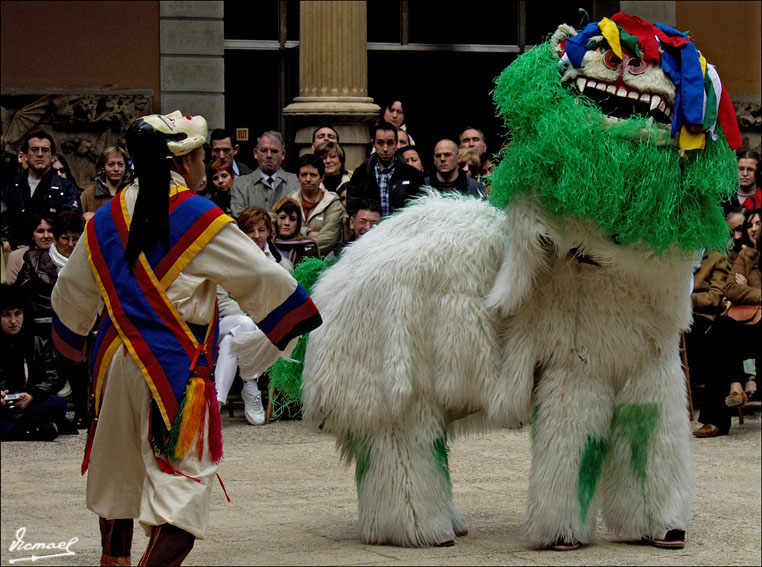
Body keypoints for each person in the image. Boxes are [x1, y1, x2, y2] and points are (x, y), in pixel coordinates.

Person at [50, 111, 321, 566]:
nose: (206, 167)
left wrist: (72, 346)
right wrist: (298, 316)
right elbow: (262, 276)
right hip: (173, 368)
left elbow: (69, 297)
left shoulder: (103, 219)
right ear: (185, 161)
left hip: (114, 365)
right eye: (202, 157)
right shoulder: (199, 216)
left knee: (117, 474)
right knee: (183, 492)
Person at [215, 207, 292, 425]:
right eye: (251, 231)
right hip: (229, 321)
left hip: (265, 331)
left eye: (262, 230)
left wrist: (261, 318)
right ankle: (250, 384)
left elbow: (285, 302)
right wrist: (250, 316)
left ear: (270, 232)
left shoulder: (282, 264)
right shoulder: (227, 262)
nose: (257, 236)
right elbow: (222, 300)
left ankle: (218, 402)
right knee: (242, 323)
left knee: (234, 339)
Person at [694, 225, 761, 437]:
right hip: (749, 324)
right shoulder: (747, 257)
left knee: (720, 336)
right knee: (720, 329)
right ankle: (723, 407)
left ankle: (733, 389)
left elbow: (741, 291)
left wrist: (749, 290)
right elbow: (731, 289)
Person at [1, 285, 74, 441]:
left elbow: (51, 378)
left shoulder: (38, 342)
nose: (13, 321)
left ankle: (19, 429)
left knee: (57, 404)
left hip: (30, 401)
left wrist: (33, 395)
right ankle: (29, 429)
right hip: (3, 404)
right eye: (6, 315)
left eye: (18, 314)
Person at [0, 130, 82, 250]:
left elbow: (72, 225)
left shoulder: (66, 187)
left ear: (53, 157)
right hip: (16, 252)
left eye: (45, 150)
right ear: (25, 156)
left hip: (53, 253)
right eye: (34, 150)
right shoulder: (11, 186)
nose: (40, 154)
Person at [345, 122, 425, 218]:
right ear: (373, 143)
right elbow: (353, 208)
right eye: (380, 143)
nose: (385, 148)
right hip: (370, 229)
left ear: (396, 144)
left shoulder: (411, 174)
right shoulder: (361, 173)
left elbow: (421, 205)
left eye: (390, 143)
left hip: (402, 228)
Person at [230, 131, 300, 217]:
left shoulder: (296, 183)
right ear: (256, 153)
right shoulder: (240, 184)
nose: (269, 155)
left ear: (282, 154)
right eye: (264, 150)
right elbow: (239, 218)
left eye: (274, 151)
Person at [290, 154, 344, 256]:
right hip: (292, 260)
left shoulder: (333, 204)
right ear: (298, 177)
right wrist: (309, 232)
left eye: (313, 175)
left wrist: (299, 240)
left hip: (325, 261)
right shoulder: (290, 200)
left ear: (322, 177)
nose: (308, 179)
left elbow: (328, 239)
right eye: (304, 175)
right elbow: (281, 230)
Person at [80, 146, 131, 219]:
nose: (116, 169)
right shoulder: (88, 195)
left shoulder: (131, 193)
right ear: (103, 167)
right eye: (111, 164)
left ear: (125, 167)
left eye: (120, 164)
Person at [4, 212, 54, 285]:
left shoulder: (66, 254)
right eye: (40, 231)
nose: (46, 236)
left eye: (50, 231)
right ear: (32, 235)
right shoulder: (17, 257)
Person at [272, 196, 319, 266]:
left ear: (298, 224)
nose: (287, 223)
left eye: (292, 219)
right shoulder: (268, 244)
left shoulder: (308, 245)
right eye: (282, 218)